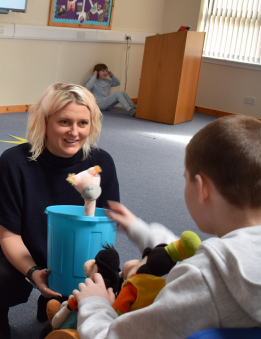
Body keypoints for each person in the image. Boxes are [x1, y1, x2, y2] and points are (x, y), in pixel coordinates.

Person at [73, 114, 261, 339]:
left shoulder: (203, 278)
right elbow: (182, 254)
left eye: (186, 178)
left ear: (202, 189)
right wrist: (143, 232)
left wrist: (96, 304)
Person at [0, 83, 121, 339]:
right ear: (46, 122)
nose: (74, 132)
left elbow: (104, 228)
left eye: (83, 123)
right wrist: (32, 272)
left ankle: (55, 303)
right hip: (10, 240)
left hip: (66, 244)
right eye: (64, 122)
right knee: (6, 281)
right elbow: (9, 235)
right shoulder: (15, 162)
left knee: (102, 276)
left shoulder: (100, 162)